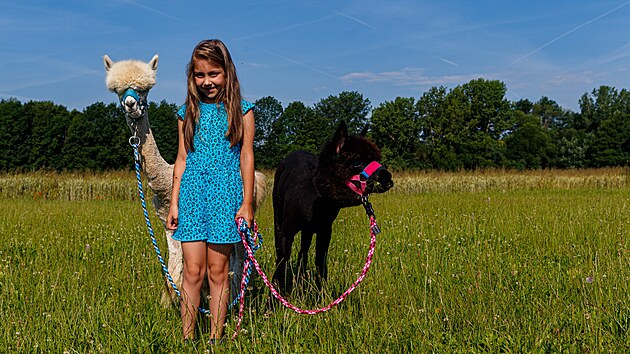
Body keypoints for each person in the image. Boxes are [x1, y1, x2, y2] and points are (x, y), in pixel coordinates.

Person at [166, 39, 255, 343]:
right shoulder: (185, 114)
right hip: (191, 195)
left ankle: (216, 339)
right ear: (191, 77)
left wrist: (246, 203)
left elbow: (246, 157)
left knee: (218, 272)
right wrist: (174, 203)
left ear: (227, 73)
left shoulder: (243, 112)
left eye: (213, 74)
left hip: (224, 196)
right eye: (199, 75)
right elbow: (181, 159)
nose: (207, 82)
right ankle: (187, 339)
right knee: (192, 271)